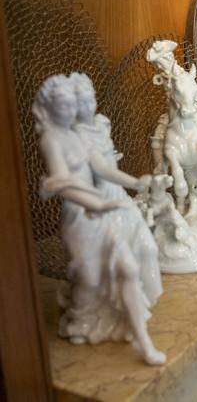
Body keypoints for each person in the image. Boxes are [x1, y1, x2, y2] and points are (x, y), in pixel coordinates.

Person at [34, 73, 165, 365]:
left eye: (73, 105)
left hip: (101, 211)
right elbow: (64, 184)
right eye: (65, 106)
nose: (71, 111)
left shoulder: (77, 135)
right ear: (53, 107)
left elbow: (102, 169)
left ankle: (143, 341)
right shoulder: (51, 140)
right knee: (90, 278)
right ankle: (80, 320)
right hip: (80, 216)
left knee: (128, 269)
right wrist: (99, 203)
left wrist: (134, 183)